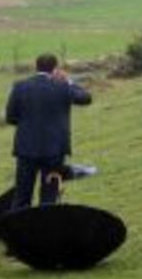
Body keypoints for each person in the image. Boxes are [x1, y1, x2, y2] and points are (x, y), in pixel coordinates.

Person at [5, 54, 92, 210]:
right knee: (49, 196)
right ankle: (45, 231)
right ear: (55, 68)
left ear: (36, 67)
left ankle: (17, 231)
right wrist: (69, 81)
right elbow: (86, 98)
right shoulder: (62, 86)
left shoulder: (20, 86)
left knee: (22, 196)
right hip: (54, 151)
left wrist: (28, 126)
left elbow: (10, 118)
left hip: (26, 150)